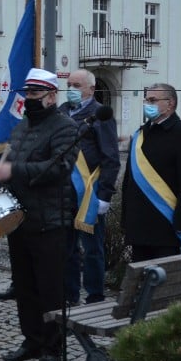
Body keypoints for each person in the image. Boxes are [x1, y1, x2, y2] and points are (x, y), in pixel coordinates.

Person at [0, 69, 78, 361]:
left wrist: (13, 171)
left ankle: (54, 348)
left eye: (35, 94)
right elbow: (14, 164)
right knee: (24, 286)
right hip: (20, 219)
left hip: (51, 221)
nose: (28, 99)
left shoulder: (66, 127)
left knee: (50, 289)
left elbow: (57, 169)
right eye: (27, 93)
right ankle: (32, 340)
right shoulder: (22, 127)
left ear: (52, 96)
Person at [122, 82, 181, 262]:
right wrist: (126, 217)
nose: (147, 104)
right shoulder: (141, 134)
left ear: (170, 103)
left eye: (152, 100)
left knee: (163, 280)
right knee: (140, 279)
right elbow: (129, 180)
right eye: (146, 100)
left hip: (166, 223)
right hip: (139, 223)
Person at [59, 69, 120, 305]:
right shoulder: (62, 112)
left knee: (92, 249)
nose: (71, 89)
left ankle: (95, 295)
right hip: (65, 192)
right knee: (68, 248)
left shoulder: (100, 115)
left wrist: (105, 195)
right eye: (69, 84)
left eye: (77, 85)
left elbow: (111, 158)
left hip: (90, 192)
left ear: (91, 89)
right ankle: (70, 295)